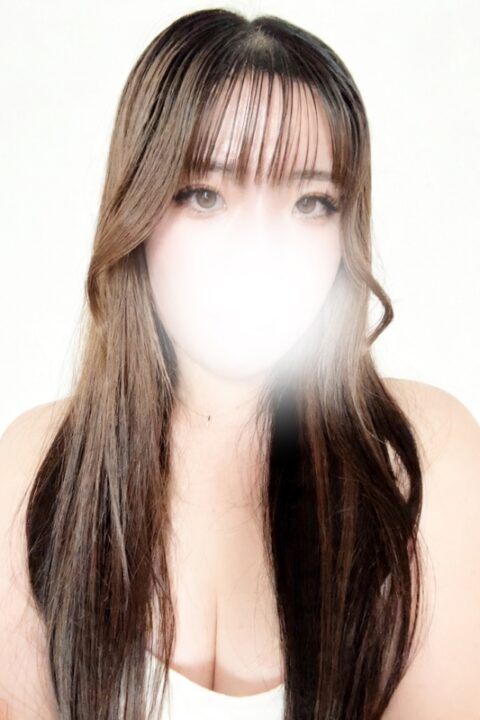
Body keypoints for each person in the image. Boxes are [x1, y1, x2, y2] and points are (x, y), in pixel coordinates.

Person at [0, 8, 479, 720]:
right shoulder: (39, 467)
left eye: (311, 203)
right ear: (137, 212)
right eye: (205, 196)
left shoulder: (421, 457)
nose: (259, 251)